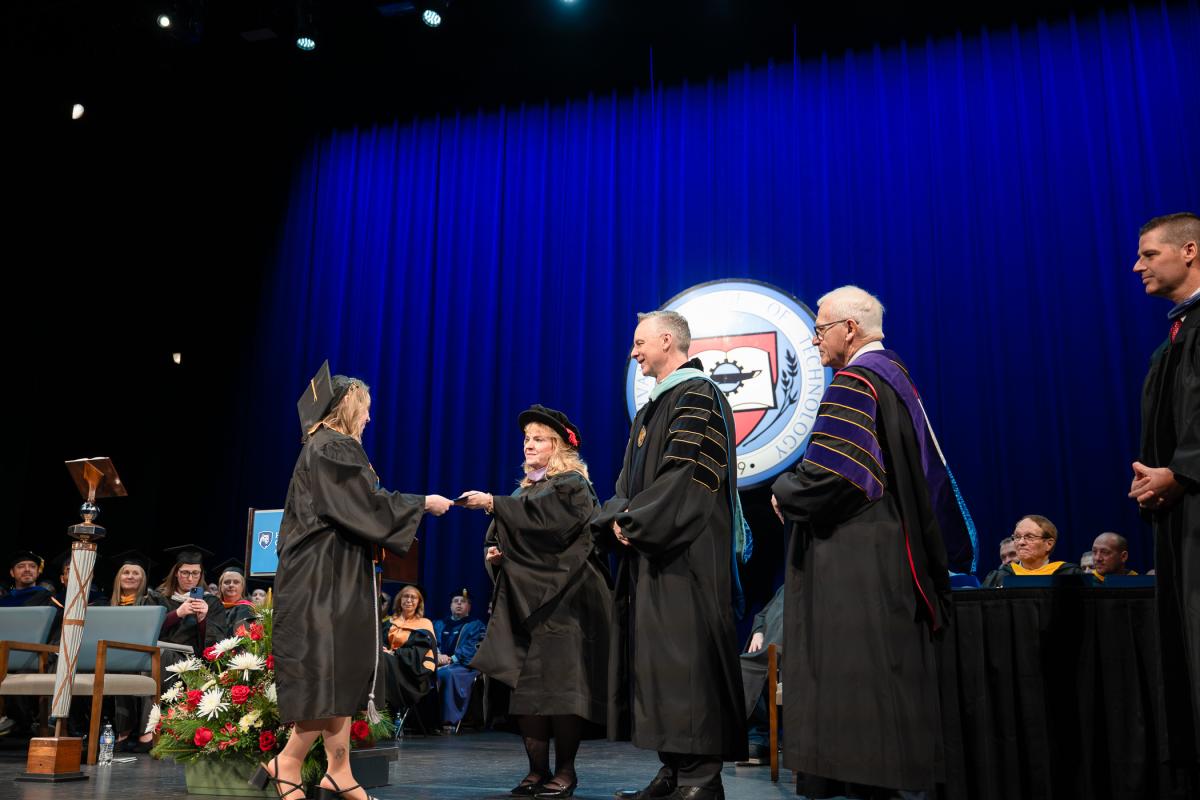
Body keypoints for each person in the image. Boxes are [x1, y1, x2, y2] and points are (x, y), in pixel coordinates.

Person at [771, 286, 976, 799]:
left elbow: (836, 478)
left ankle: (859, 780)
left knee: (856, 675)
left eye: (820, 328)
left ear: (850, 329)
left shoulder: (855, 383)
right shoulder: (896, 375)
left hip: (857, 555)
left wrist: (784, 491)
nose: (815, 339)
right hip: (891, 546)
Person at [251, 362, 452, 800]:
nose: (369, 418)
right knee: (325, 668)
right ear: (347, 406)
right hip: (321, 578)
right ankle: (287, 762)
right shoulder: (333, 446)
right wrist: (422, 504)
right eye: (365, 409)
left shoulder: (327, 446)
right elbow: (364, 503)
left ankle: (338, 770)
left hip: (335, 570)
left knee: (343, 667)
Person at [593, 310, 747, 800]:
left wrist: (632, 525)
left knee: (688, 665)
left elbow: (685, 480)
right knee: (659, 667)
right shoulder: (648, 410)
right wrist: (615, 519)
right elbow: (623, 486)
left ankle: (701, 777)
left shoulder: (698, 395)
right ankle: (673, 768)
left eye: (639, 342)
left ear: (667, 340)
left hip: (688, 558)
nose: (633, 352)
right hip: (652, 555)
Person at [461, 405, 612, 798]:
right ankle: (535, 770)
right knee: (527, 689)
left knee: (561, 689)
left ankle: (565, 771)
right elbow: (499, 536)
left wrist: (493, 503)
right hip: (523, 605)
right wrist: (495, 555)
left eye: (539, 438)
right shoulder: (520, 493)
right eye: (527, 438)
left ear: (558, 446)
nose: (529, 444)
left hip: (565, 602)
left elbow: (549, 525)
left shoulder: (573, 487)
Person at [1131, 211, 1200, 774]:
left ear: (1191, 251)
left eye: (1149, 254)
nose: (1138, 265)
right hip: (1182, 519)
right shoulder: (1177, 335)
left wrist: (1179, 472)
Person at [737, 583, 784, 767]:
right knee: (741, 665)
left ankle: (758, 738)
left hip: (791, 651)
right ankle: (756, 738)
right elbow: (762, 614)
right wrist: (758, 631)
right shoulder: (783, 589)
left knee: (749, 668)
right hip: (768, 650)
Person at [149, 544, 222, 657]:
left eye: (195, 573)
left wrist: (202, 620)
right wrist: (177, 614)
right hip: (160, 655)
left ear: (201, 574)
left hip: (192, 660)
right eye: (185, 572)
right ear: (176, 573)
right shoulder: (158, 597)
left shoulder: (211, 602)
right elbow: (148, 630)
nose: (190, 578)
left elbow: (216, 644)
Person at [431, 589, 486, 730]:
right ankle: (427, 719)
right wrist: (437, 656)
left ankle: (448, 720)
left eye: (463, 602)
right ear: (450, 606)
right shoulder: (438, 624)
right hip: (437, 662)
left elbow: (475, 646)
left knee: (447, 674)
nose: (459, 604)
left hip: (464, 666)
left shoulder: (477, 625)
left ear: (469, 606)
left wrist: (452, 659)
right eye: (456, 601)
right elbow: (431, 641)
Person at [980, 516, 1082, 587]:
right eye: (1017, 537)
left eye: (1029, 537)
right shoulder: (999, 577)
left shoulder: (1069, 576)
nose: (1021, 542)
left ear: (1049, 544)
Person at [205, 559, 257, 646]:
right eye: (227, 582)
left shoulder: (247, 609)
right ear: (220, 586)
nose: (231, 585)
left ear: (242, 587)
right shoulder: (212, 608)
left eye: (236, 582)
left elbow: (241, 640)